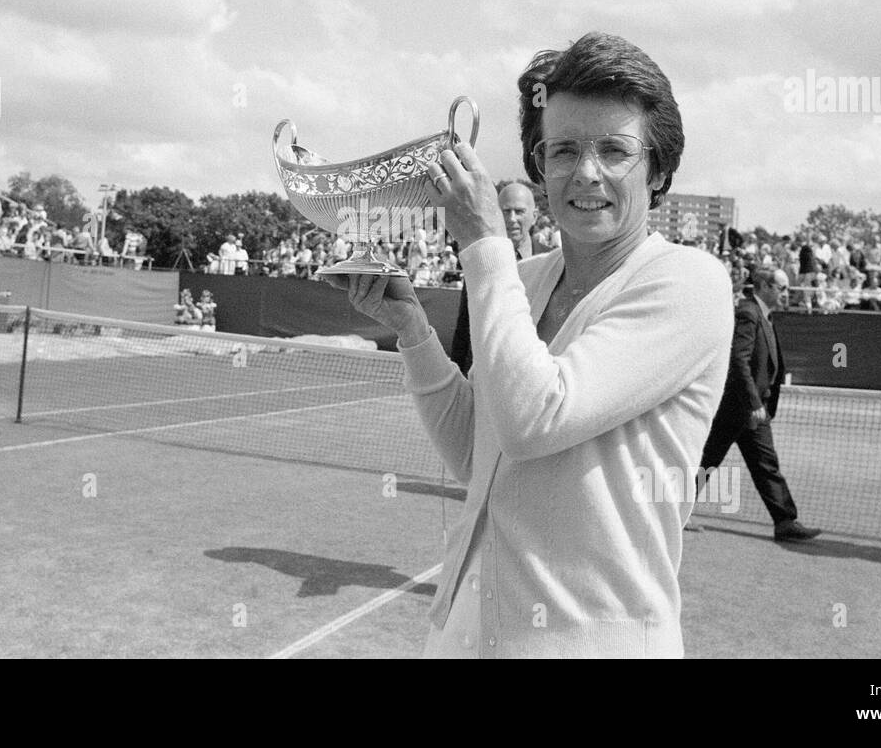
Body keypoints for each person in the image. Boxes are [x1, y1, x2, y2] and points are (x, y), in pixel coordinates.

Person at [334, 32, 734, 657]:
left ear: (658, 170)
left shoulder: (688, 282)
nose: (586, 172)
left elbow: (533, 419)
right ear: (539, 169)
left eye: (615, 150)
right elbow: (481, 452)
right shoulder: (523, 279)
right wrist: (412, 329)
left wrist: (483, 244)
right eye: (563, 150)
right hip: (470, 630)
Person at [694, 268, 822, 541]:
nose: (786, 293)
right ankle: (670, 512)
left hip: (752, 410)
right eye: (782, 288)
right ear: (764, 286)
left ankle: (785, 522)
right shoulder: (748, 313)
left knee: (765, 464)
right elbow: (738, 361)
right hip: (737, 408)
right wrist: (753, 403)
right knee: (707, 459)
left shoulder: (762, 314)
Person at [449, 181, 545, 375]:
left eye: (519, 211)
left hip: (533, 376)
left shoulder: (554, 261)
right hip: (482, 376)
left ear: (534, 217)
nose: (511, 219)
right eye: (505, 211)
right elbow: (464, 329)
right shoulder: (479, 260)